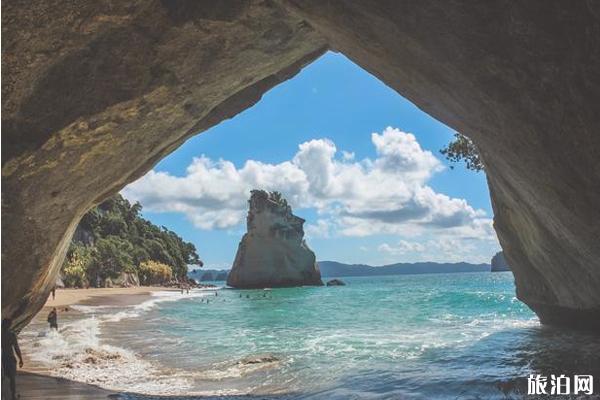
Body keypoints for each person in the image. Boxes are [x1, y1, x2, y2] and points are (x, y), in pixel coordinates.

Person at [2, 319, 24, 400]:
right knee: (12, 378)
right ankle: (13, 395)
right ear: (9, 325)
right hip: (10, 358)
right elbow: (16, 348)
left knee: (2, 378)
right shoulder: (11, 335)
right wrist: (20, 359)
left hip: (2, 358)